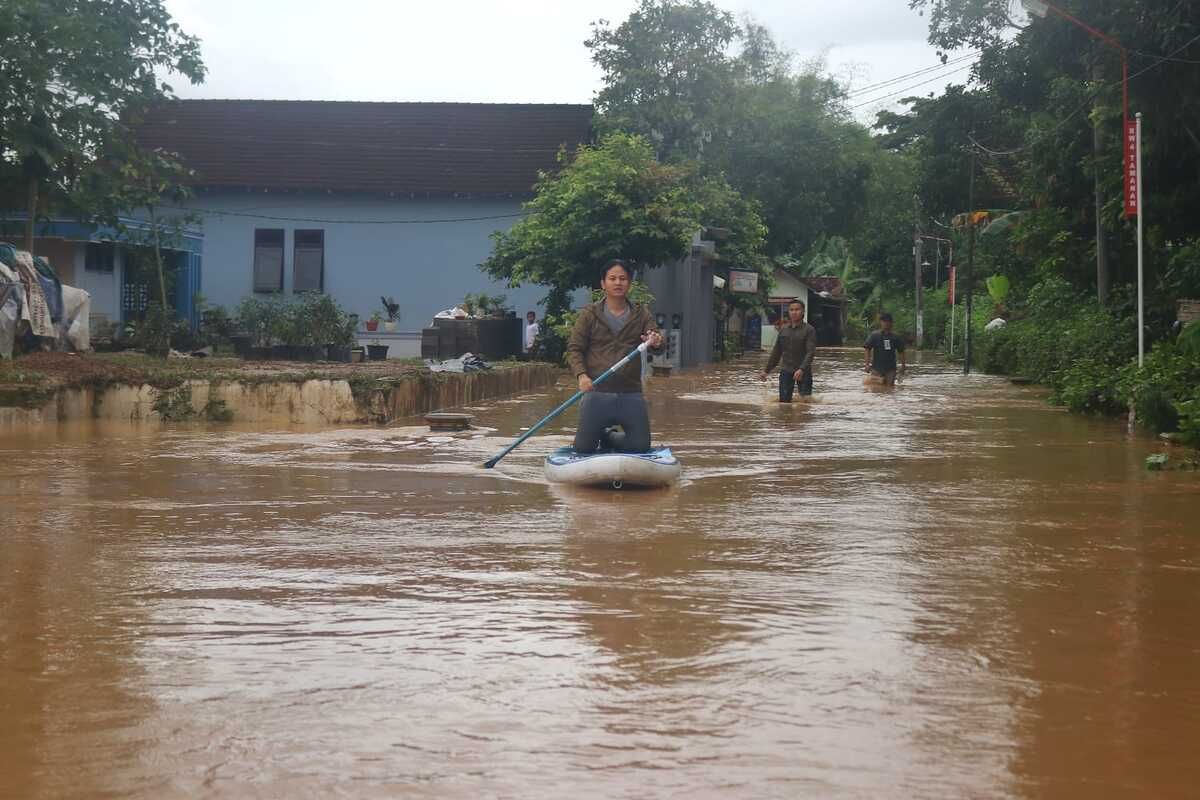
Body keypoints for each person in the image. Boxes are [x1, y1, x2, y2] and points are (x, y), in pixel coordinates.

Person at [567, 259, 664, 453]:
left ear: (629, 283)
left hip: (630, 393)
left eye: (622, 279)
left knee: (640, 447)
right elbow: (574, 349)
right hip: (597, 392)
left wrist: (656, 341)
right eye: (612, 278)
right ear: (603, 283)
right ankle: (598, 435)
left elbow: (657, 344)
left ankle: (610, 438)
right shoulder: (589, 314)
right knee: (583, 448)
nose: (618, 283)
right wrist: (582, 375)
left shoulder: (641, 313)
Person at [758, 299, 816, 401]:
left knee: (805, 403)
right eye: (791, 310)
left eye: (797, 309)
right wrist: (766, 371)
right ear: (788, 312)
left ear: (803, 311)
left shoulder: (809, 330)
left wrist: (801, 369)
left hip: (804, 371)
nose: (794, 312)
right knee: (784, 402)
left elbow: (810, 352)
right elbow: (777, 352)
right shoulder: (783, 330)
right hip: (786, 370)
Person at [864, 312, 907, 385]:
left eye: (888, 321)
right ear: (881, 322)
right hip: (876, 367)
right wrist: (867, 364)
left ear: (891, 323)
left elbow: (901, 351)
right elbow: (867, 349)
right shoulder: (874, 335)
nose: (886, 323)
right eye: (884, 321)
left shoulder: (896, 337)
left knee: (890, 388)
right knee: (876, 389)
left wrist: (903, 366)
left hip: (891, 368)